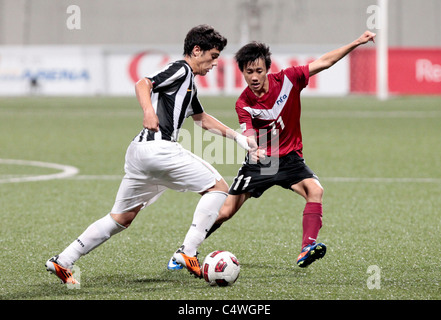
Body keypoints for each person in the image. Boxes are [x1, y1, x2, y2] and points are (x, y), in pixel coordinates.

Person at [45, 24, 255, 283]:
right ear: (196, 50)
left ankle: (63, 260)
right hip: (159, 149)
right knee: (218, 188)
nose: (214, 64)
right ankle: (187, 252)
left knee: (121, 218)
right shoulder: (181, 69)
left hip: (141, 155)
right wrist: (148, 111)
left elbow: (201, 118)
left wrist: (237, 137)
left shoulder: (189, 83)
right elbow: (143, 83)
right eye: (213, 57)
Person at [199, 31, 377, 269]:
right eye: (248, 72)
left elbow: (325, 62)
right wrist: (253, 147)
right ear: (242, 72)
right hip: (261, 163)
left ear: (268, 69)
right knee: (225, 212)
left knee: (315, 190)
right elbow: (248, 131)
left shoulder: (289, 79)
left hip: (291, 158)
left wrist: (356, 42)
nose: (254, 77)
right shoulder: (244, 103)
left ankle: (307, 248)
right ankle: (187, 250)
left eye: (259, 71)